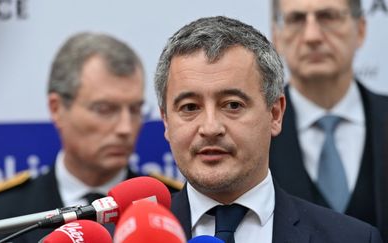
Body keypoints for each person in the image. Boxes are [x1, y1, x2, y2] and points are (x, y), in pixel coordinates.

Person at [155, 16, 383, 242]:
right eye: (190, 107)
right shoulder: (128, 235)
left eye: (233, 105)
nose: (211, 127)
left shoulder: (353, 238)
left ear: (275, 114)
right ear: (166, 121)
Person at [0, 32, 179, 242]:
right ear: (57, 109)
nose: (125, 128)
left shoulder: (170, 207)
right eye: (104, 109)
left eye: (135, 110)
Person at [269, 0, 388, 238]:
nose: (312, 36)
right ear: (276, 36)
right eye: (296, 20)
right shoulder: (251, 131)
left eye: (328, 17)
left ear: (361, 29)